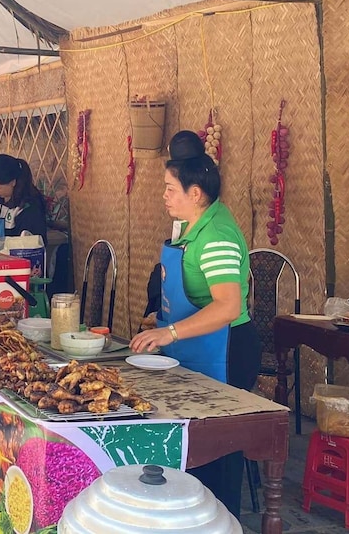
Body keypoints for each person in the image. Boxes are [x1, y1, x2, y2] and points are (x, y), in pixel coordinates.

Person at [129, 130, 261, 519]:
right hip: (196, 348)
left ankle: (221, 522)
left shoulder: (216, 235)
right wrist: (163, 318)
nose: (165, 196)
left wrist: (169, 332)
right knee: (193, 450)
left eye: (171, 189)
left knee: (217, 451)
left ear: (196, 194)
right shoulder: (194, 226)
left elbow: (227, 306)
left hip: (226, 351)